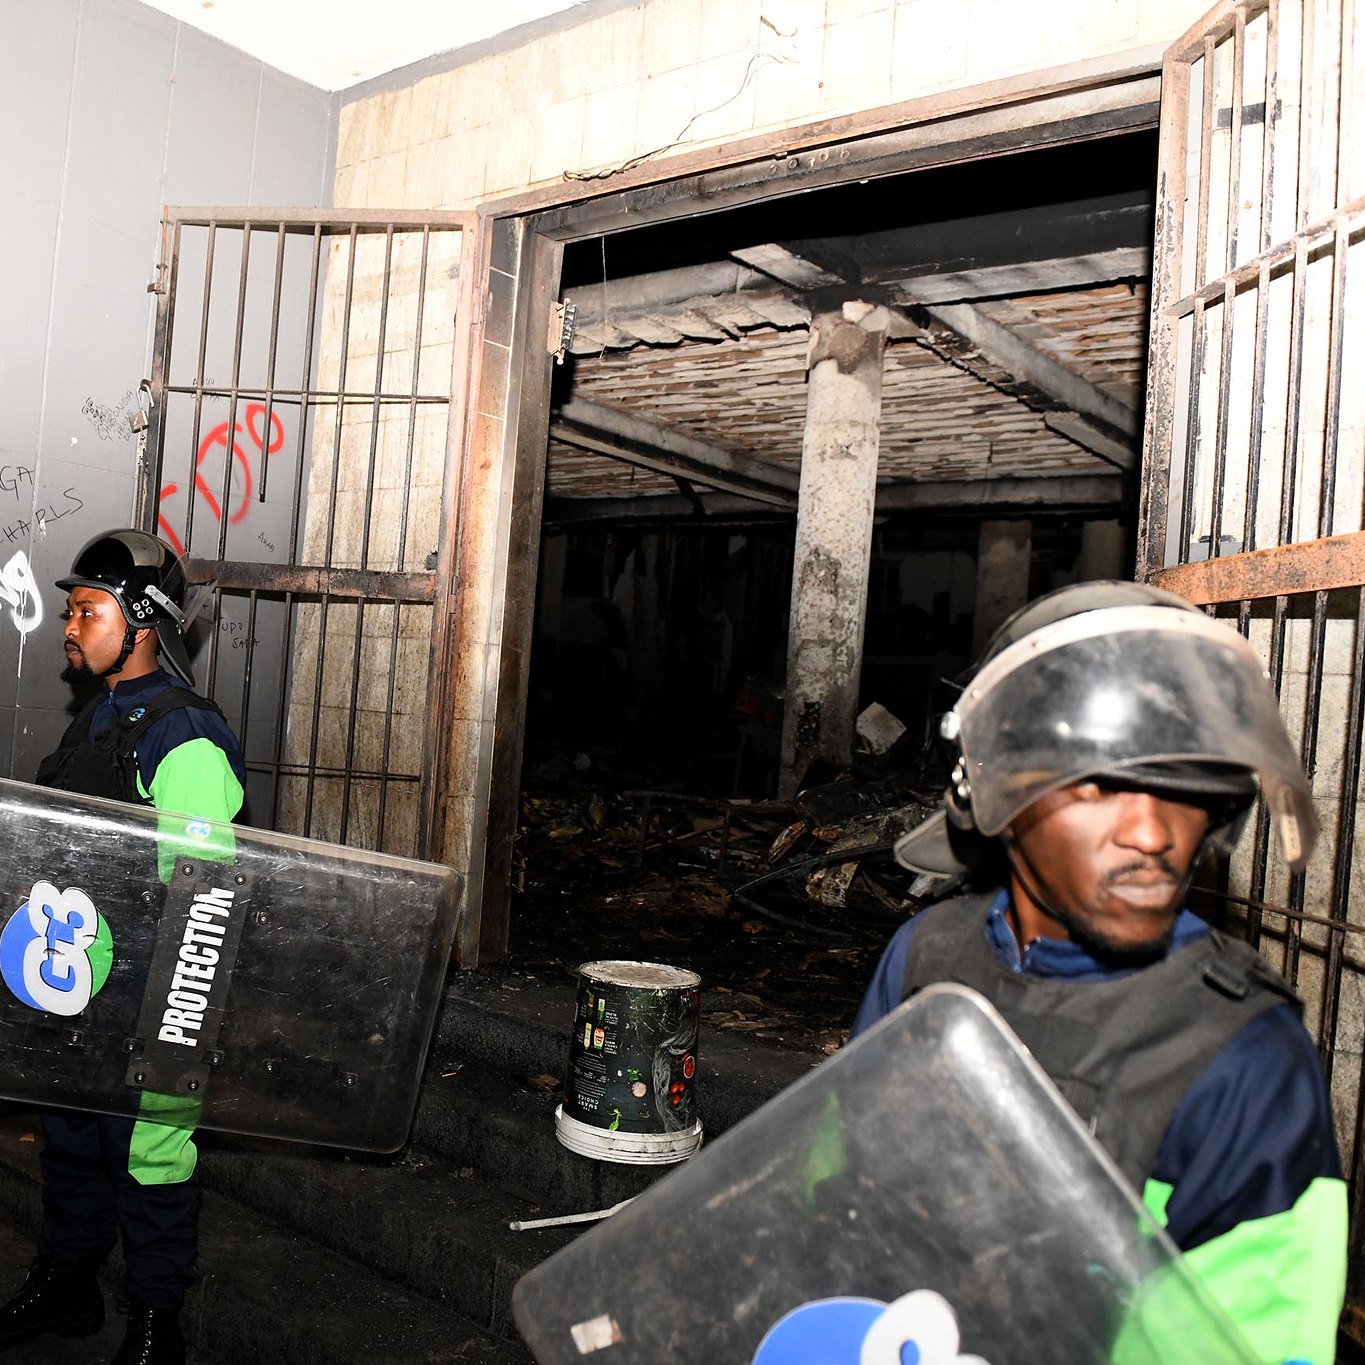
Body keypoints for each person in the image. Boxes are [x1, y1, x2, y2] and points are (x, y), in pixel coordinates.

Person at [852, 581, 1346, 1365]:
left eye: (1182, 790)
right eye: (1098, 783)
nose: (1152, 832)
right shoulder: (926, 957)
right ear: (998, 798)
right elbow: (836, 1200)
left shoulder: (1245, 1058)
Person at [0, 529, 245, 1365]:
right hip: (78, 984)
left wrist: (173, 1021)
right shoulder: (99, 719)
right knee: (70, 1140)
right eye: (70, 608)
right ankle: (68, 1287)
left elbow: (205, 894)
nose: (69, 624)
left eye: (87, 608)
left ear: (141, 619)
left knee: (153, 1155)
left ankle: (153, 1321)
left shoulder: (186, 738)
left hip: (151, 988)